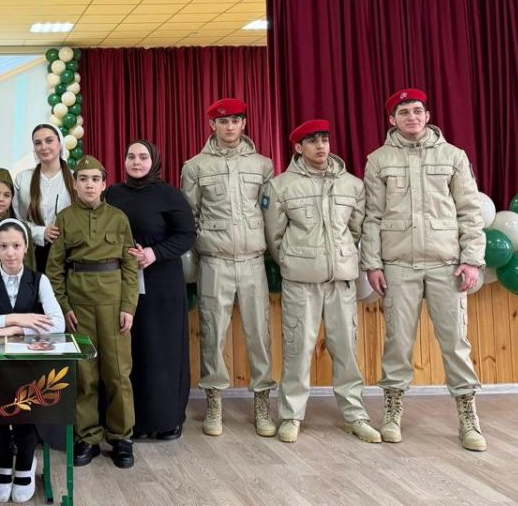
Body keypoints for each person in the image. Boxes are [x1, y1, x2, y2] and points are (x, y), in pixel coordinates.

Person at [362, 89, 487, 452]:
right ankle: (392, 410)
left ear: (428, 116)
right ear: (392, 120)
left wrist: (471, 259)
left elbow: (469, 211)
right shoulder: (378, 160)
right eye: (404, 112)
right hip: (399, 265)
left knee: (455, 342)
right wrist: (372, 263)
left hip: (446, 265)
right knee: (397, 342)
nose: (412, 117)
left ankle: (468, 415)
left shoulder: (453, 156)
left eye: (417, 111)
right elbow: (372, 216)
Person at [263, 120, 381, 445]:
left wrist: (340, 258)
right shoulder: (281, 186)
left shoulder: (351, 185)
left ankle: (355, 416)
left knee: (347, 349)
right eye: (312, 141)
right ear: (298, 147)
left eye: (324, 140)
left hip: (341, 281)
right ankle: (291, 416)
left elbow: (355, 230)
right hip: (301, 281)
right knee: (297, 348)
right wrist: (296, 261)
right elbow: (274, 237)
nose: (320, 146)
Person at [180, 97, 277, 438]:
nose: (230, 126)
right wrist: (201, 251)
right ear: (212, 125)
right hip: (215, 261)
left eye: (235, 120)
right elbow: (189, 216)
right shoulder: (195, 167)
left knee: (259, 334)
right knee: (212, 333)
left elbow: (270, 212)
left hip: (253, 261)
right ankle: (214, 403)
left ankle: (262, 403)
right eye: (223, 121)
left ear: (244, 123)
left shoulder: (262, 165)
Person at [45, 155, 138, 469]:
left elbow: (130, 266)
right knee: (85, 375)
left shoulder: (119, 218)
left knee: (118, 373)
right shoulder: (65, 218)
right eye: (83, 179)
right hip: (79, 306)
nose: (89, 185)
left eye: (95, 179)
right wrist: (64, 307)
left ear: (104, 184)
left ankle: (121, 437)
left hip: (113, 305)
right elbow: (54, 270)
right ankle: (87, 437)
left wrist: (128, 307)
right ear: (74, 184)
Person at [0, 218, 65, 503]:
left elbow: (58, 323)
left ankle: (25, 461)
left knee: (29, 398)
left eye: (16, 246)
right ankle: (3, 461)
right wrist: (17, 318)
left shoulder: (39, 280)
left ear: (25, 248)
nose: (10, 253)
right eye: (4, 246)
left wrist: (13, 330)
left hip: (29, 363)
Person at [104, 140, 196, 441]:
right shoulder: (112, 194)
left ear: (153, 161)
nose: (136, 161)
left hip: (161, 284)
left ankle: (168, 420)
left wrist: (154, 253)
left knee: (162, 351)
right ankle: (136, 422)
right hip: (122, 283)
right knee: (134, 350)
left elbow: (187, 234)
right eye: (131, 156)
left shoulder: (169, 195)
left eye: (143, 157)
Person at [14, 125, 75, 273]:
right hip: (33, 255)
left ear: (60, 143)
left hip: (69, 255)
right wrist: (40, 232)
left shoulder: (76, 178)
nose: (43, 147)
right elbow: (17, 219)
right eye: (38, 143)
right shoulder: (23, 179)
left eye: (49, 140)